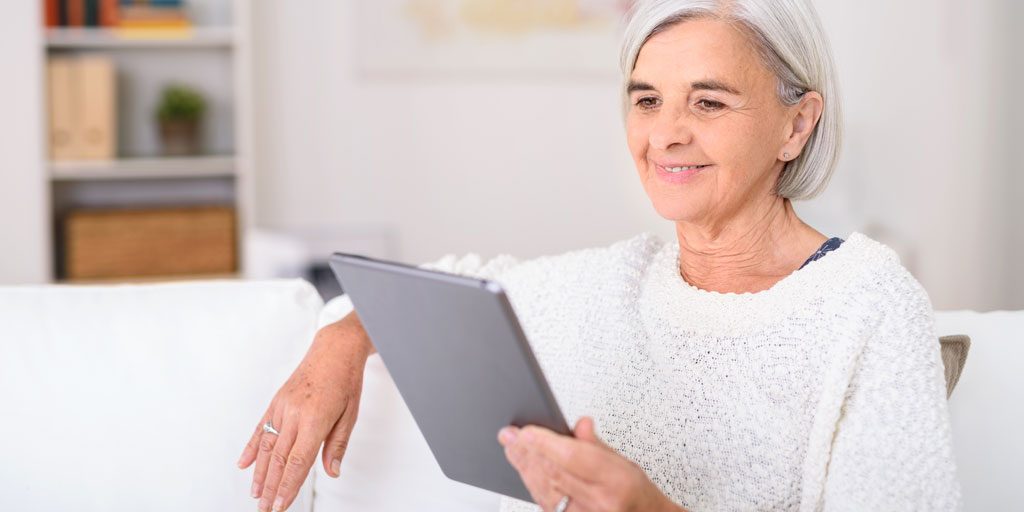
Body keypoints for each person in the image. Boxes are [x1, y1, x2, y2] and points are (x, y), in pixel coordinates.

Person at [237, 0, 962, 510]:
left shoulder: (868, 302)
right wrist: (341, 340)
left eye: (708, 102)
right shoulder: (613, 281)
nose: (665, 134)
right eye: (647, 101)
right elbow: (448, 289)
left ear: (797, 125)